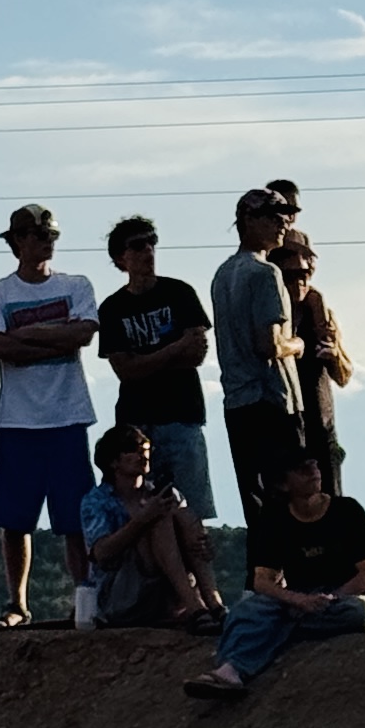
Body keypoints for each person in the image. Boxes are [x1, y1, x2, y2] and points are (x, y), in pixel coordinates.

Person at [0, 204, 100, 626]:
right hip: (18, 420)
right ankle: (17, 603)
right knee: (15, 519)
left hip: (68, 417)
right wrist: (54, 341)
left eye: (50, 235)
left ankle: (83, 598)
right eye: (37, 234)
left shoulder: (77, 285)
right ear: (17, 243)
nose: (46, 241)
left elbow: (82, 334)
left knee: (74, 518)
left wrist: (26, 335)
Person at [191, 447, 365, 698]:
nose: (312, 472)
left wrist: (331, 598)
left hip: (341, 600)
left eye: (313, 465)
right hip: (297, 600)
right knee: (245, 609)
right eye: (301, 469)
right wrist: (297, 600)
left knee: (361, 612)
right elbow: (263, 581)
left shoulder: (347, 510)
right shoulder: (275, 519)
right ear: (283, 484)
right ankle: (230, 671)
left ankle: (240, 660)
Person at [96, 220, 218, 530]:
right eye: (138, 245)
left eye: (151, 242)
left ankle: (195, 578)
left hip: (183, 416)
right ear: (120, 257)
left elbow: (197, 353)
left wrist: (146, 360)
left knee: (191, 513)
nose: (148, 251)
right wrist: (174, 347)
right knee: (140, 512)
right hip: (137, 423)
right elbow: (125, 370)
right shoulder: (112, 309)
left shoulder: (180, 293)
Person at [75, 425, 225, 634]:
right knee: (159, 520)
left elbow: (190, 530)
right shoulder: (97, 501)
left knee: (185, 516)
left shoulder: (163, 493)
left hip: (165, 591)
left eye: (145, 450)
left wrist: (203, 545)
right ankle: (195, 609)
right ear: (113, 462)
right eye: (132, 450)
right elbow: (100, 553)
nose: (142, 455)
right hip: (122, 595)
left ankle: (213, 603)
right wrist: (141, 520)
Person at [210, 188, 303, 524]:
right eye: (273, 216)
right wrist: (298, 344)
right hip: (272, 401)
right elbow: (269, 345)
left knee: (255, 503)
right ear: (248, 220)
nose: (283, 223)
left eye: (285, 216)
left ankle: (261, 572)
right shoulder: (266, 273)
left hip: (237, 404)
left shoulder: (222, 274)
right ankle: (292, 573)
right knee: (290, 499)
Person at [277, 224, 352, 484]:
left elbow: (344, 376)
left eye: (304, 273)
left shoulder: (322, 315)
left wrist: (334, 356)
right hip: (282, 428)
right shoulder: (269, 315)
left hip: (321, 428)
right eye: (292, 274)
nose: (300, 279)